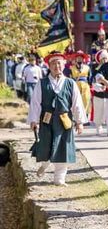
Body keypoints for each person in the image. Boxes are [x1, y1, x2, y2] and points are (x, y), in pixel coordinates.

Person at [28, 51, 87, 185]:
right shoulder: (42, 83)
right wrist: (33, 120)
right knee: (45, 145)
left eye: (59, 63)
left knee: (63, 148)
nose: (56, 66)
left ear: (64, 64)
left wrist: (79, 122)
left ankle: (59, 179)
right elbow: (36, 103)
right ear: (49, 66)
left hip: (64, 121)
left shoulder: (70, 83)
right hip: (47, 120)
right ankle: (45, 164)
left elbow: (77, 103)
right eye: (53, 63)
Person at [92, 49, 108, 136]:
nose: (104, 60)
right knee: (100, 111)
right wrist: (101, 84)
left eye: (106, 58)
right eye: (102, 58)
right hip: (100, 94)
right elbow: (93, 81)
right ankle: (99, 127)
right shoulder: (98, 69)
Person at [65, 51, 92, 116]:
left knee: (86, 99)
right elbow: (69, 77)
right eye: (78, 58)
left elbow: (90, 77)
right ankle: (76, 116)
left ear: (83, 59)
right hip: (76, 85)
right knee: (76, 100)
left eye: (81, 58)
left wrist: (90, 84)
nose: (79, 59)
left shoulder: (87, 67)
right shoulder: (71, 68)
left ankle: (85, 116)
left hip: (85, 85)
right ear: (76, 59)